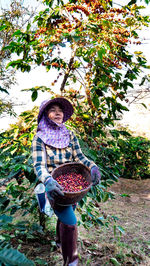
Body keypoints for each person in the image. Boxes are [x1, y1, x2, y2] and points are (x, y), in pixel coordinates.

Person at [32, 97, 101, 266]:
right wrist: (48, 180)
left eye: (60, 110)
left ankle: (59, 242)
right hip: (53, 186)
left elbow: (79, 157)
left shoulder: (69, 134)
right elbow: (39, 164)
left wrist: (92, 167)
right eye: (53, 110)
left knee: (66, 214)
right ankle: (71, 261)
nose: (58, 113)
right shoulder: (39, 138)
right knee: (70, 222)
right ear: (46, 115)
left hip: (73, 186)